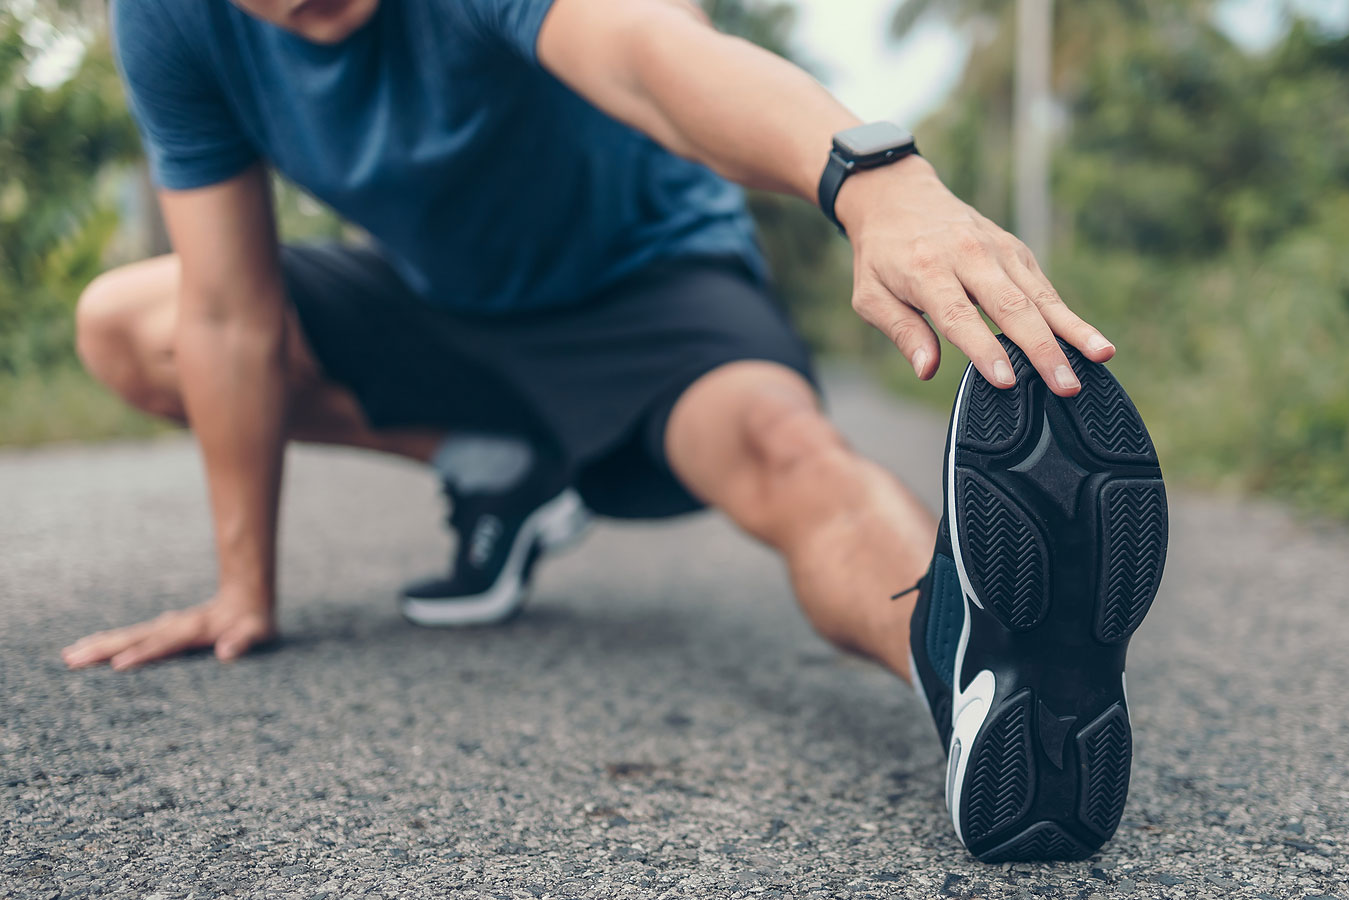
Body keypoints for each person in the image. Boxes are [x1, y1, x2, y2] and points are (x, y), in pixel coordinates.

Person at [60, 0, 1169, 863]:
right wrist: (242, 585)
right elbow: (228, 311)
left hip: (645, 284)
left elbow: (650, 54)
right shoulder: (167, 20)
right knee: (129, 322)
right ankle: (501, 463)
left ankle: (966, 654)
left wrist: (873, 178)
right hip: (437, 308)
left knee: (785, 455)